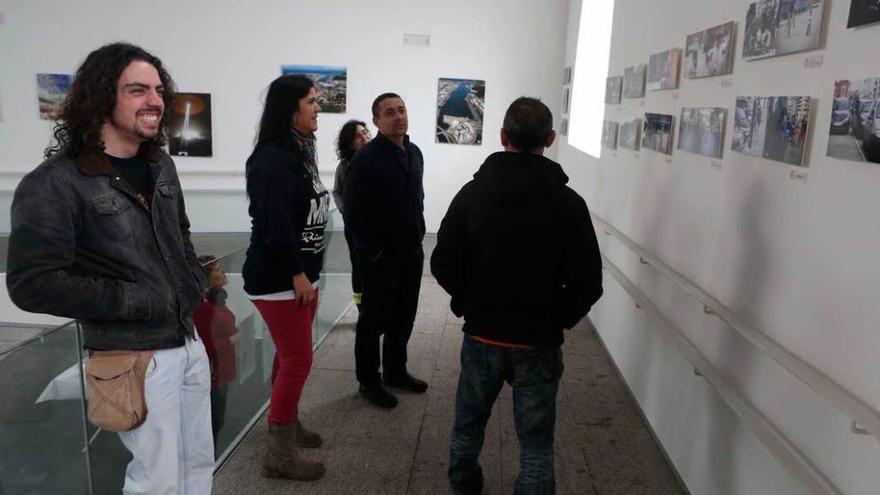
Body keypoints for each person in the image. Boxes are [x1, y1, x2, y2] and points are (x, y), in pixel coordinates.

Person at [6, 42, 212, 494]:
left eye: (158, 89)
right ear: (101, 98)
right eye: (138, 90)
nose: (155, 100)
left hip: (189, 340)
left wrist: (191, 282)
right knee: (155, 479)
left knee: (197, 464)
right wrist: (135, 299)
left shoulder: (160, 166)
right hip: (132, 355)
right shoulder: (54, 184)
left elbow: (180, 234)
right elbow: (31, 283)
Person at [431, 97, 604, 494]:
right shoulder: (569, 203)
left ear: (503, 136)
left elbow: (442, 261)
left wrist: (467, 302)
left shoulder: (472, 195)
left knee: (467, 426)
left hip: (483, 333)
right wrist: (556, 318)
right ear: (551, 138)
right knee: (536, 442)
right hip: (538, 340)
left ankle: (464, 487)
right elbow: (588, 282)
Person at [242, 74, 328, 481]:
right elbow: (275, 225)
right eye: (311, 101)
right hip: (279, 278)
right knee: (297, 360)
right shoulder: (271, 158)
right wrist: (297, 273)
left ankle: (287, 423)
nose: (317, 109)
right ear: (289, 108)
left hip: (301, 275)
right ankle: (279, 452)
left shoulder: (299, 151)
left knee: (289, 355)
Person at [343, 93, 427, 408]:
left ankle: (395, 371)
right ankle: (368, 380)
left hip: (411, 251)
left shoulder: (415, 153)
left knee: (404, 316)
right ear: (377, 121)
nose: (398, 117)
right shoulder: (366, 159)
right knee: (373, 320)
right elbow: (354, 213)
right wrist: (371, 253)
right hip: (380, 257)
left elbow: (417, 198)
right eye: (389, 112)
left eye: (402, 110)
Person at [193, 255, 240, 448]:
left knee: (215, 421)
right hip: (214, 373)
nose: (224, 273)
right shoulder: (205, 307)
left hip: (221, 369)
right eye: (218, 270)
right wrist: (230, 340)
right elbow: (203, 344)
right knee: (213, 422)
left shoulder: (215, 301)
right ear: (208, 278)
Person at [333, 120, 371, 310]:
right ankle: (361, 309)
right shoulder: (344, 166)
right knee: (358, 267)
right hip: (354, 229)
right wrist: (344, 210)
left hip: (376, 228)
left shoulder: (378, 160)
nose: (364, 137)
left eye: (365, 132)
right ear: (349, 142)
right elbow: (337, 191)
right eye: (358, 135)